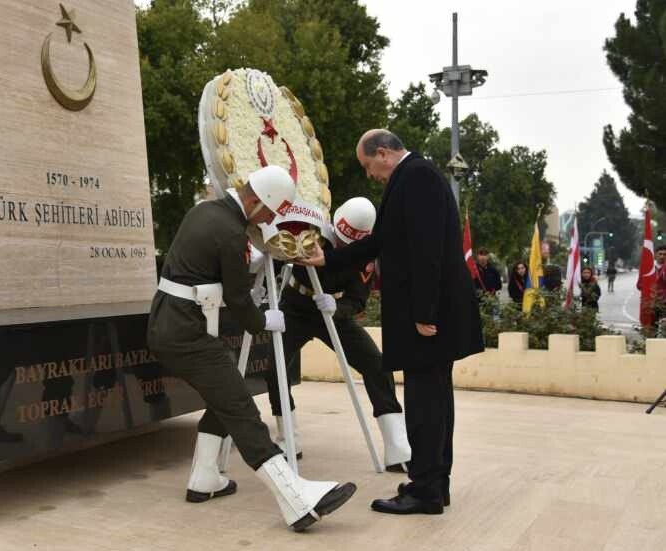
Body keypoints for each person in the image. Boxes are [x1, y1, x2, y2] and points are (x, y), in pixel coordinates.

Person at [147, 165, 356, 532]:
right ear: (257, 201)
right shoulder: (229, 232)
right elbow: (238, 299)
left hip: (171, 323)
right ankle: (297, 500)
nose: (270, 220)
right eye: (270, 213)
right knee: (240, 406)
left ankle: (205, 479)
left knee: (224, 395)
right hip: (186, 331)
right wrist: (263, 321)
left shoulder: (204, 210)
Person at [298, 129, 484, 515]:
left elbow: (428, 250)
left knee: (424, 404)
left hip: (427, 319)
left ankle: (425, 490)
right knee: (433, 401)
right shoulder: (413, 177)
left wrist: (424, 313)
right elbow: (382, 241)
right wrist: (327, 259)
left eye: (368, 166)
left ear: (383, 153)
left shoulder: (416, 177)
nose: (370, 175)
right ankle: (433, 484)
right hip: (427, 316)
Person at [263, 198, 411, 472]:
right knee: (275, 369)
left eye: (348, 244)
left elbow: (358, 300)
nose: (341, 247)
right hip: (295, 307)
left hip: (331, 313)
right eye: (339, 240)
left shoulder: (366, 254)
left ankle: (398, 446)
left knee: (376, 364)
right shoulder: (311, 229)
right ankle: (288, 439)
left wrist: (337, 308)